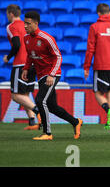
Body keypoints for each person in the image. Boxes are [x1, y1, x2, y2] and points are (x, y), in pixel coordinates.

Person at [21, 11, 82, 141]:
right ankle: (76, 122)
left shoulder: (46, 38)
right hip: (41, 74)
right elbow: (30, 55)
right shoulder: (26, 38)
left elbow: (58, 57)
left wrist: (52, 75)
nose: (25, 26)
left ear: (36, 24)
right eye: (24, 23)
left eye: (28, 23)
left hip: (51, 74)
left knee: (40, 100)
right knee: (52, 107)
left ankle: (47, 133)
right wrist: (26, 68)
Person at [3, 4, 40, 130]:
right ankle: (31, 121)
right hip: (32, 63)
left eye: (7, 14)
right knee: (25, 94)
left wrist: (8, 57)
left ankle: (37, 111)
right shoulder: (27, 25)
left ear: (11, 14)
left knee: (15, 95)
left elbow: (17, 44)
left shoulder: (11, 27)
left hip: (20, 64)